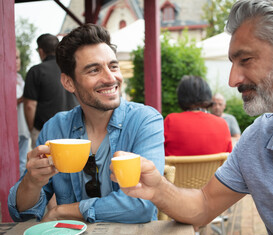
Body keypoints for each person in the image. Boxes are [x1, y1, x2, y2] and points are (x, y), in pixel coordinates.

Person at [112, 0, 273, 235]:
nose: (233, 80)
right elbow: (205, 204)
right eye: (233, 63)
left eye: (246, 60)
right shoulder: (256, 138)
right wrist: (158, 188)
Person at [8, 23, 165, 223]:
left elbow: (142, 206)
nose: (111, 78)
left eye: (113, 66)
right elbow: (21, 213)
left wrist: (64, 211)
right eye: (94, 70)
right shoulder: (56, 128)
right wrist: (31, 181)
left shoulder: (144, 121)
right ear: (68, 82)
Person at [23, 33, 78, 149]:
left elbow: (29, 105)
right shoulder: (71, 69)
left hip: (46, 132)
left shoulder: (36, 71)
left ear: (41, 51)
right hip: (76, 129)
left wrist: (31, 129)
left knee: (45, 166)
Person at [164, 75, 232, 156]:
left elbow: (159, 156)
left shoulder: (171, 121)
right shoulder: (222, 124)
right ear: (208, 95)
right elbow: (229, 160)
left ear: (181, 96)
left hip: (178, 169)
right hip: (215, 169)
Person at [16, 47, 30, 176]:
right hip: (10, 129)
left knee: (22, 161)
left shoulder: (20, 79)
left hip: (23, 127)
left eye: (17, 58)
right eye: (13, 58)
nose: (16, 61)